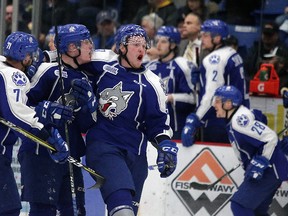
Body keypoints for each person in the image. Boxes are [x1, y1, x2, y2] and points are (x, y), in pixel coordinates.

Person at [80, 24, 178, 216]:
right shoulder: (102, 61)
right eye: (135, 44)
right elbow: (71, 60)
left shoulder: (153, 83)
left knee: (126, 213)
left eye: (144, 44)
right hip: (104, 146)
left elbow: (158, 124)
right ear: (122, 47)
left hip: (136, 156)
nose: (141, 49)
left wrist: (165, 145)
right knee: (123, 213)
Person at [18, 24, 97, 216]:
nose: (91, 46)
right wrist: (44, 109)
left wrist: (90, 105)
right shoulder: (47, 71)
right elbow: (19, 107)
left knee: (76, 211)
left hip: (70, 154)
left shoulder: (87, 77)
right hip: (41, 152)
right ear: (72, 48)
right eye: (86, 41)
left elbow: (87, 124)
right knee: (43, 211)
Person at [0, 31, 69, 216]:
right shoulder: (14, 75)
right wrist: (46, 134)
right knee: (8, 210)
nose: (33, 59)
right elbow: (16, 114)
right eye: (31, 54)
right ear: (24, 57)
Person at [212, 85, 288, 216]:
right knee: (256, 211)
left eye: (218, 101)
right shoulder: (237, 117)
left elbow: (270, 138)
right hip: (274, 170)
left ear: (229, 104)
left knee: (239, 206)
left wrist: (261, 161)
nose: (214, 105)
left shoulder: (239, 121)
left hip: (270, 169)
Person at [181, 19, 250, 146]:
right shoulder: (233, 53)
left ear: (217, 38)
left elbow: (211, 96)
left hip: (219, 121)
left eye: (206, 36)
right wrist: (201, 79)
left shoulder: (215, 59)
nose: (202, 39)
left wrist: (196, 119)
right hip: (238, 117)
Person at [145, 26, 197, 139]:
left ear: (173, 45)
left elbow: (193, 97)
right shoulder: (149, 67)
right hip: (153, 130)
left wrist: (171, 97)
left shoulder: (183, 66)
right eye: (157, 41)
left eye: (163, 41)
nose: (158, 45)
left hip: (177, 129)